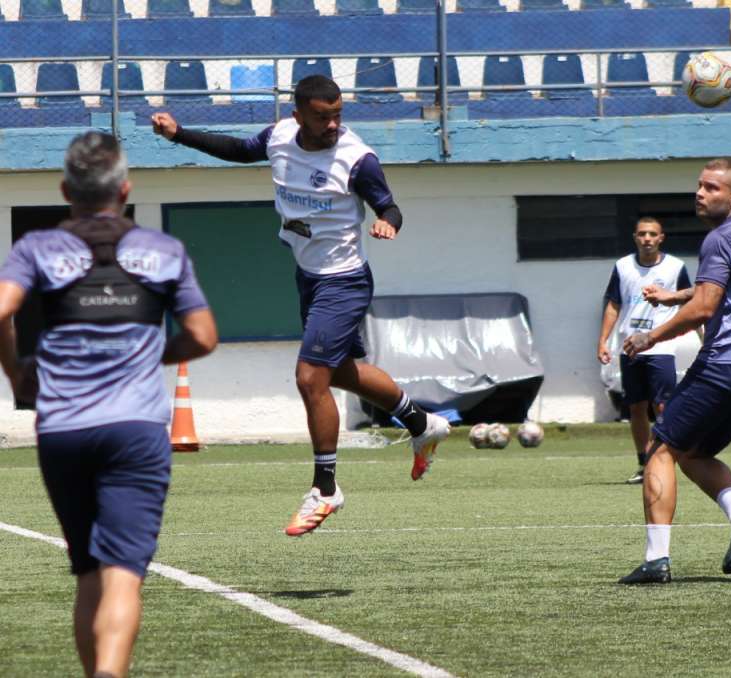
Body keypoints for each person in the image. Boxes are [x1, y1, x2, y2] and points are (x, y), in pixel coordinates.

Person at [150, 74, 450, 537]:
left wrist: (388, 225)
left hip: (343, 281)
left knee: (310, 376)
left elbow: (390, 207)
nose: (332, 124)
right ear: (298, 116)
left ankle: (325, 488)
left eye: (337, 115)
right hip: (309, 276)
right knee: (341, 372)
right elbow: (237, 150)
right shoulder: (279, 137)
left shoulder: (357, 158)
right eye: (321, 116)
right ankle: (421, 423)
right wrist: (179, 134)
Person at [0, 132, 218, 677]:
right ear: (125, 188)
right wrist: (156, 354)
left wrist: (17, 372)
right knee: (122, 571)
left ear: (63, 190)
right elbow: (204, 337)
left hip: (63, 430)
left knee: (88, 573)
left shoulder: (36, 248)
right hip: (135, 430)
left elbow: (1, 311)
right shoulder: (165, 251)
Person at [617, 158, 731, 584]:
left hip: (728, 363)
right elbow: (720, 288)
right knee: (694, 453)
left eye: (711, 187)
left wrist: (649, 338)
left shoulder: (718, 239)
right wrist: (676, 297)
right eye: (699, 185)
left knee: (661, 448)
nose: (699, 193)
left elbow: (708, 306)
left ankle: (657, 560)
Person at [598, 217, 693, 485]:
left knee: (662, 405)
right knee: (636, 407)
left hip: (661, 345)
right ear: (635, 237)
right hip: (630, 347)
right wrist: (603, 340)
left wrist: (705, 336)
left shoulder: (675, 267)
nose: (647, 238)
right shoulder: (623, 266)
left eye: (652, 234)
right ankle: (643, 463)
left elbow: (691, 301)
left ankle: (667, 459)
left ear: (661, 237)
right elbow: (613, 304)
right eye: (642, 234)